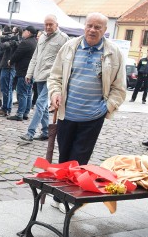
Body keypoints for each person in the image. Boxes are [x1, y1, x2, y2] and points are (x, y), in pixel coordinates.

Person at [48, 12, 126, 168]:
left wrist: (106, 108)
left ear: (104, 30)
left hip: (92, 117)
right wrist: (55, 93)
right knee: (64, 157)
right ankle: (60, 191)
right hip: (66, 114)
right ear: (84, 27)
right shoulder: (69, 47)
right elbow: (55, 76)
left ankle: (72, 190)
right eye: (89, 26)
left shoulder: (113, 52)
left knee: (79, 161)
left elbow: (120, 88)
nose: (92, 30)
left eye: (97, 27)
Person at [20, 15, 69, 142]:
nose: (48, 27)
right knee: (42, 106)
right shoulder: (41, 37)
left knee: (40, 104)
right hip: (39, 76)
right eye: (46, 24)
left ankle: (30, 133)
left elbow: (67, 61)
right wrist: (29, 73)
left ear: (56, 25)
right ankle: (46, 131)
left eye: (50, 24)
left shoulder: (63, 39)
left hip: (52, 78)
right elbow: (35, 57)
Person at [7, 26, 38, 121]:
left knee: (22, 93)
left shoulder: (25, 42)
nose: (23, 33)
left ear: (28, 32)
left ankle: (20, 114)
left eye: (24, 31)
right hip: (31, 71)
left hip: (23, 71)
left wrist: (10, 61)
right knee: (28, 93)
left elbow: (17, 54)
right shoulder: (35, 42)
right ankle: (25, 113)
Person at [0, 27, 19, 117]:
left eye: (13, 31)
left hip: (9, 67)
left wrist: (1, 37)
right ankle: (6, 108)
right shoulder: (14, 40)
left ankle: (6, 109)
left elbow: (4, 46)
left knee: (7, 89)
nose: (10, 33)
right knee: (7, 89)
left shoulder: (15, 41)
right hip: (8, 67)